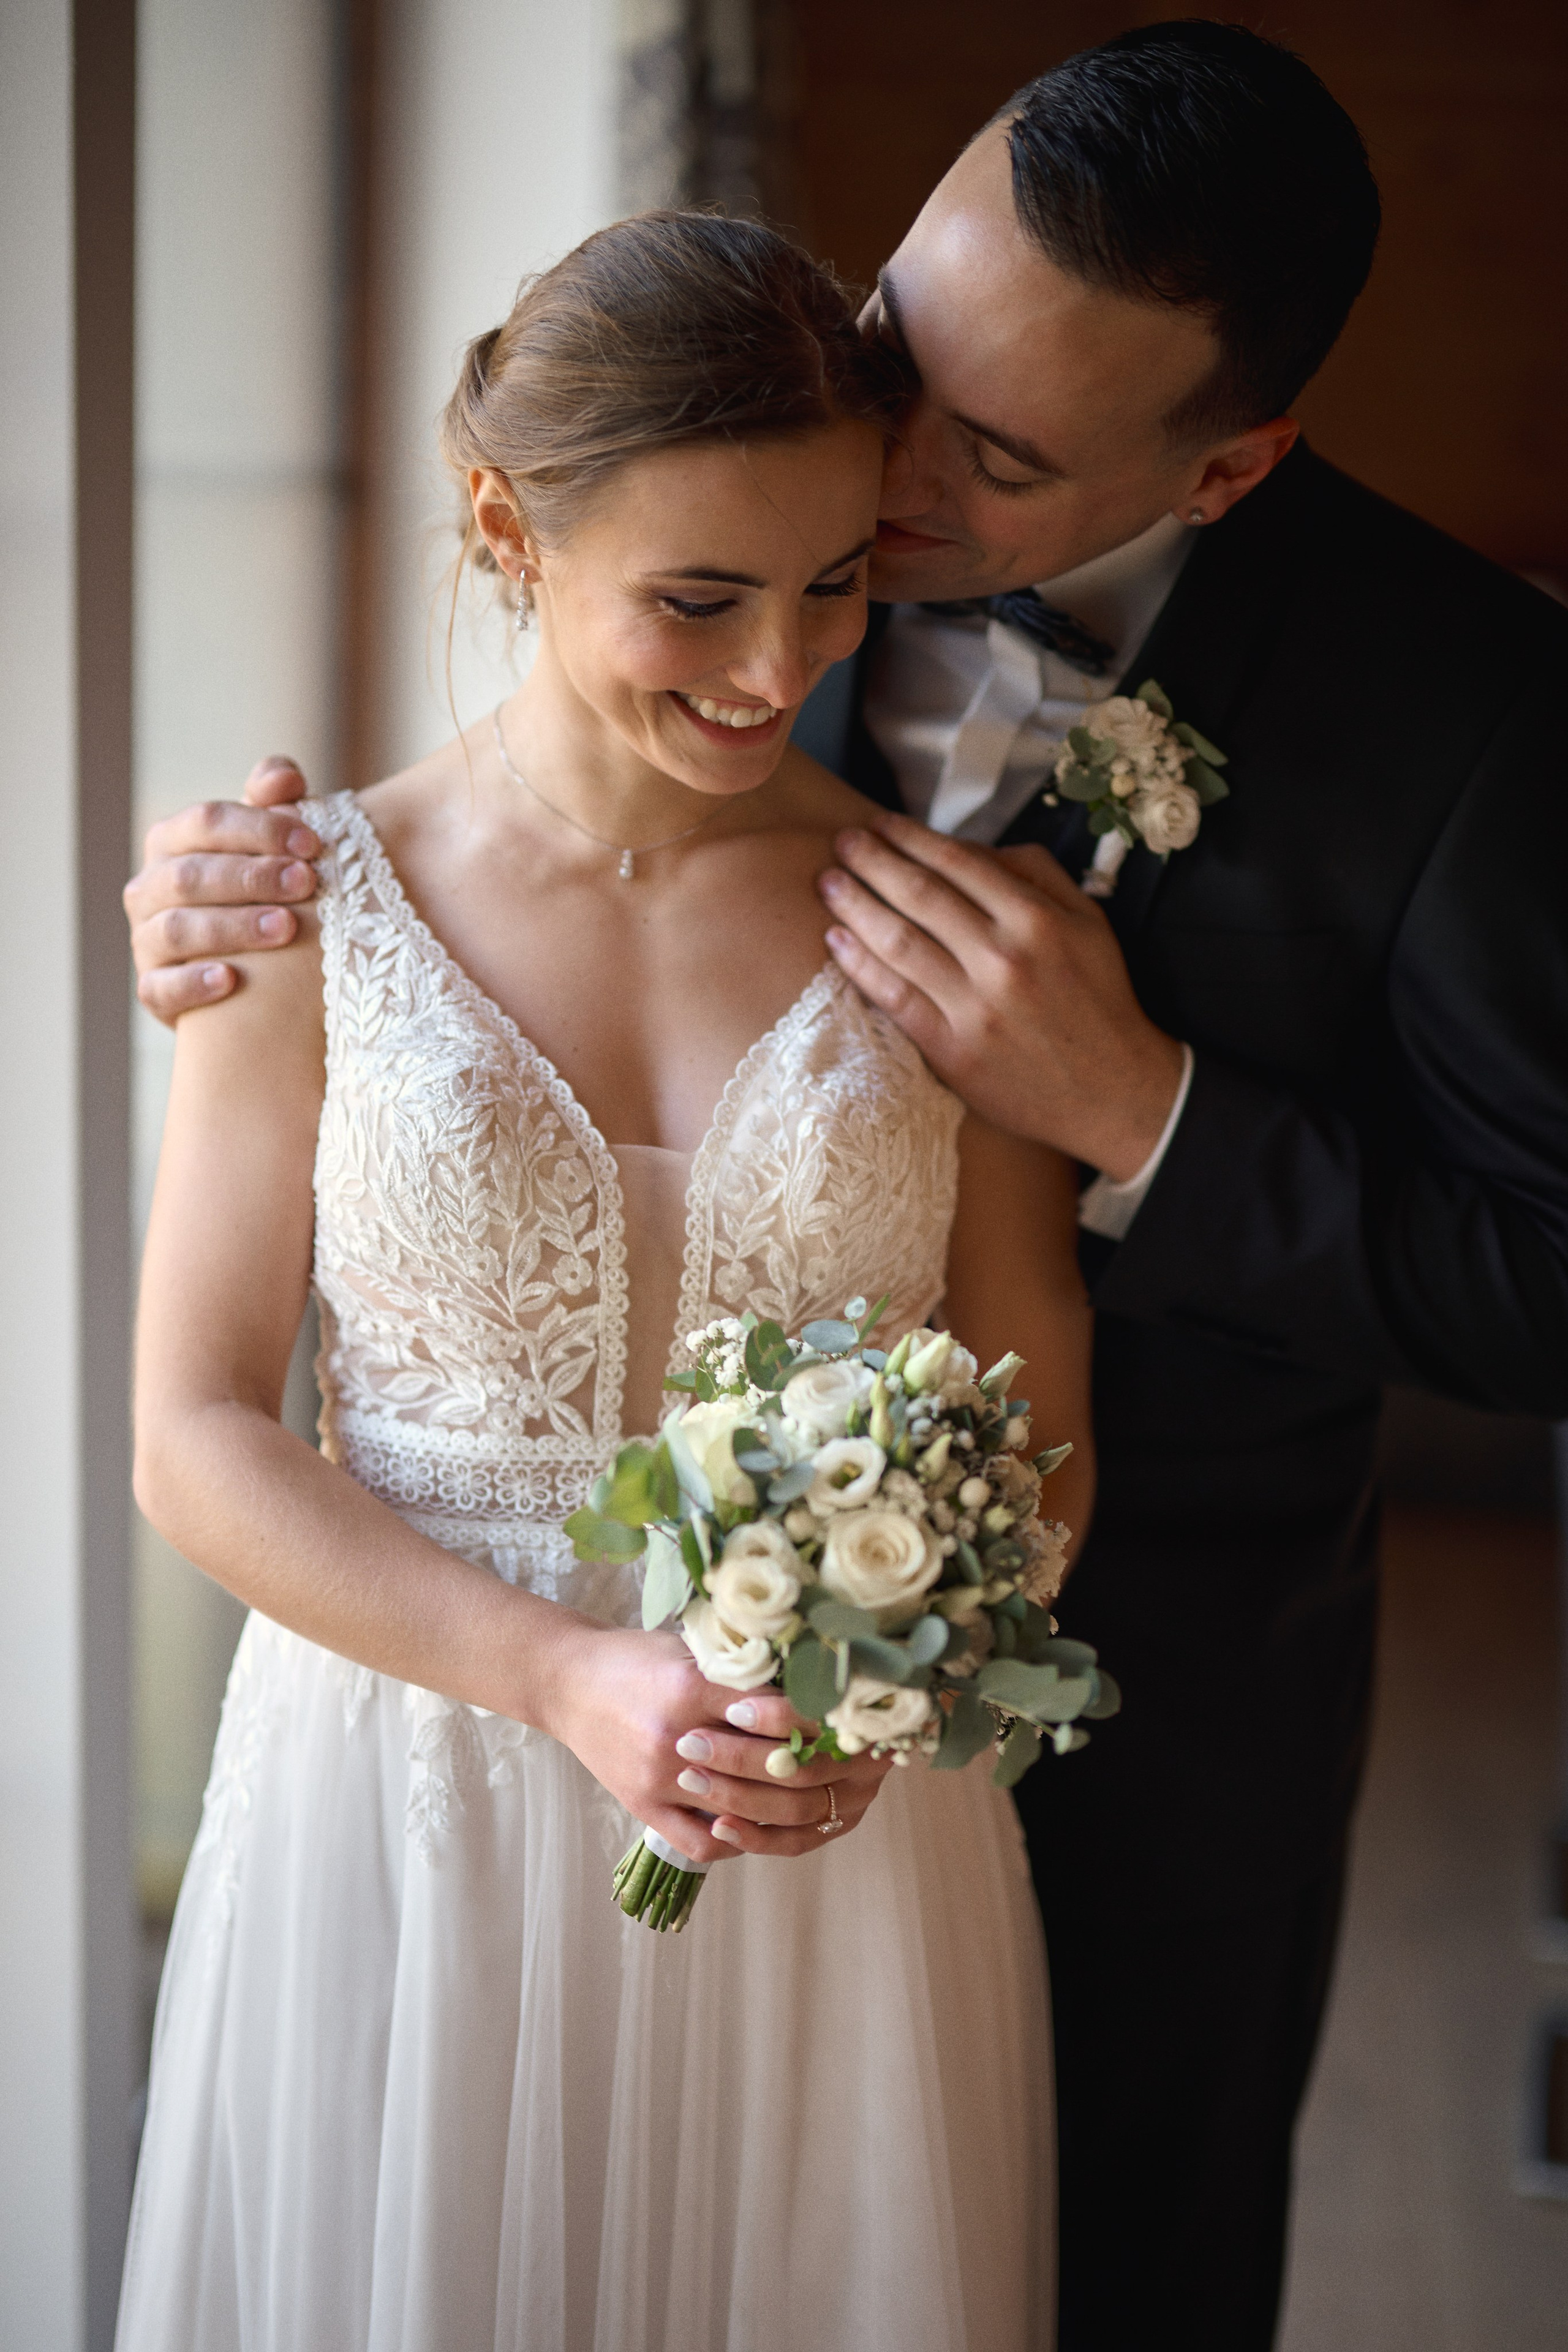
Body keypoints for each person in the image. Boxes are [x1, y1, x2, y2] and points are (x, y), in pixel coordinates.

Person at [122, 23, 1568, 2352]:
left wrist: (1147, 1111)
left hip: (1130, 1658)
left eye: (980, 457)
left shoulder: (1471, 714)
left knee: (1079, 2252)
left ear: (1229, 463)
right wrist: (228, 925)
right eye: (901, 349)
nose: (859, 523)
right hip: (446, 1769)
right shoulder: (756, 459)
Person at [118, 211, 1094, 2352]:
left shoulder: (944, 934)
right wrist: (557, 1677)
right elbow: (192, 1441)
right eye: (698, 598)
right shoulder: (300, 907)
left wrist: (893, 1673)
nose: (778, 669)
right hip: (410, 1816)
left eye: (834, 581)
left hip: (821, 1845)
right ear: (506, 528)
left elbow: (1038, 1409)